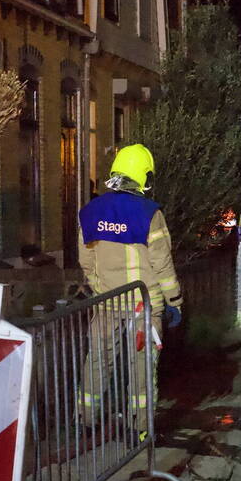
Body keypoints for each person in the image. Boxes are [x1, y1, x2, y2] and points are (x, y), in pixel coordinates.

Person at [77, 143, 182, 439]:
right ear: (142, 176)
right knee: (143, 370)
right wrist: (174, 301)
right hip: (144, 306)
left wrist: (99, 288)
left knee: (97, 361)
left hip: (107, 301)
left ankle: (86, 420)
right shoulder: (150, 214)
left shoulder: (90, 211)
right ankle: (141, 428)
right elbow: (162, 264)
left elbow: (86, 260)